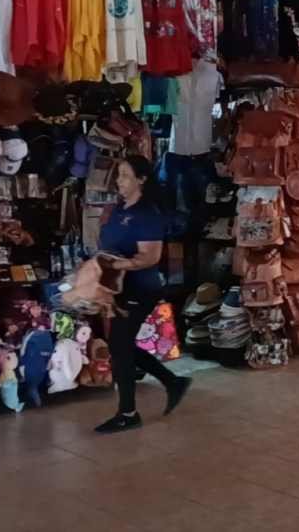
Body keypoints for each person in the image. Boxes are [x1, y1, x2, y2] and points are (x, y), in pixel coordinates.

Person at [95, 155, 191, 434]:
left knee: (119, 345)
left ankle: (128, 412)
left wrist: (116, 264)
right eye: (119, 175)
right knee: (120, 344)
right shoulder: (118, 210)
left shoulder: (147, 214)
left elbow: (150, 257)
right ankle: (172, 382)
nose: (119, 181)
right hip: (118, 287)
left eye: (125, 175)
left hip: (142, 287)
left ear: (141, 180)